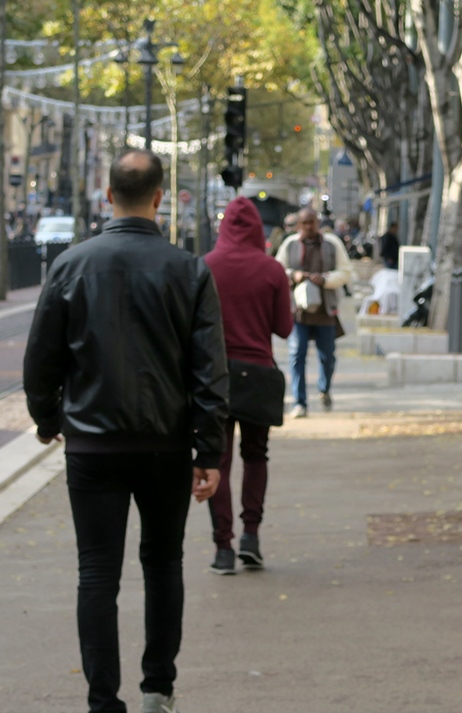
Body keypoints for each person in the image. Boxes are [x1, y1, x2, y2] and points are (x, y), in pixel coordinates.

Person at [23, 149, 227, 713]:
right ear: (160, 198)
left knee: (97, 572)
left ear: (107, 197)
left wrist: (48, 420)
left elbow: (40, 360)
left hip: (91, 445)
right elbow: (210, 370)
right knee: (163, 563)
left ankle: (101, 701)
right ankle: (157, 688)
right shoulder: (188, 270)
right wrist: (208, 448)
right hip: (165, 443)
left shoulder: (70, 265)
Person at [204, 197, 293, 575]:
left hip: (216, 377)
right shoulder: (272, 269)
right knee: (256, 456)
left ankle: (223, 547)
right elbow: (284, 328)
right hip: (257, 375)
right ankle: (251, 536)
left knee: (217, 460)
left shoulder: (205, 267)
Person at [275, 208, 353, 418]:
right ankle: (300, 402)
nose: (309, 227)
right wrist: (294, 275)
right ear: (299, 225)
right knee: (296, 355)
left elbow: (346, 272)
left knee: (327, 357)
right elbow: (278, 269)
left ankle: (324, 388)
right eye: (305, 223)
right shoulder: (290, 244)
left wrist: (326, 279)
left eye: (312, 222)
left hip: (325, 311)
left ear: (317, 223)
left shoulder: (332, 244)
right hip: (298, 312)